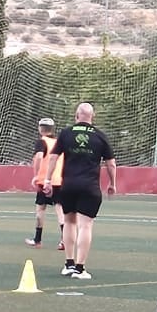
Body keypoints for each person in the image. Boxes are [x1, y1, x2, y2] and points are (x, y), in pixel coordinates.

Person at [48, 102, 117, 280]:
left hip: (68, 185)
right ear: (92, 117)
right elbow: (111, 163)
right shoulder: (100, 136)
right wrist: (112, 184)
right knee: (85, 225)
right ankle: (80, 268)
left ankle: (68, 264)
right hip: (89, 186)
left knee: (69, 222)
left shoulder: (66, 133)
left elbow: (54, 157)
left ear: (76, 116)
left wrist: (48, 180)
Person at [27, 117, 61, 248]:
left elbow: (39, 157)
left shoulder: (42, 142)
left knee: (40, 208)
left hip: (45, 180)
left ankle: (37, 240)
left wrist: (36, 175)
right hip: (59, 180)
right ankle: (64, 240)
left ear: (40, 128)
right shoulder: (58, 142)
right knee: (60, 209)